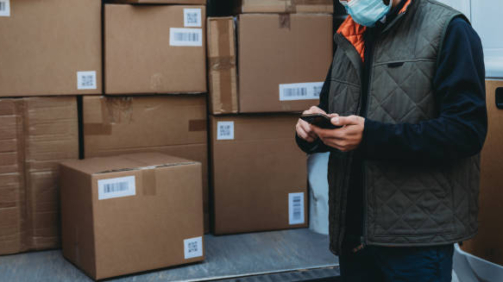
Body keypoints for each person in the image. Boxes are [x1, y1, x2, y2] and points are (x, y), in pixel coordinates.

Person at [295, 0, 487, 281]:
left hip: (415, 241)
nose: (350, 2)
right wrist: (311, 133)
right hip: (354, 236)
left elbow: (466, 131)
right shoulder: (351, 33)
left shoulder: (448, 29)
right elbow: (333, 113)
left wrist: (371, 137)